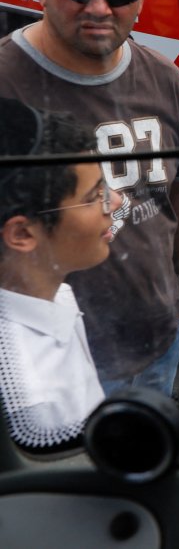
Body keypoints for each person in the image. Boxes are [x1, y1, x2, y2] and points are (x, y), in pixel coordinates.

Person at [0, 0, 179, 395]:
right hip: (49, 365)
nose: (97, 8)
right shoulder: (5, 86)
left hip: (160, 338)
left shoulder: (164, 79)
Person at [0, 102, 122, 444]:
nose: (114, 201)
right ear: (22, 234)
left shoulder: (51, 294)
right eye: (92, 196)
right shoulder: (36, 406)